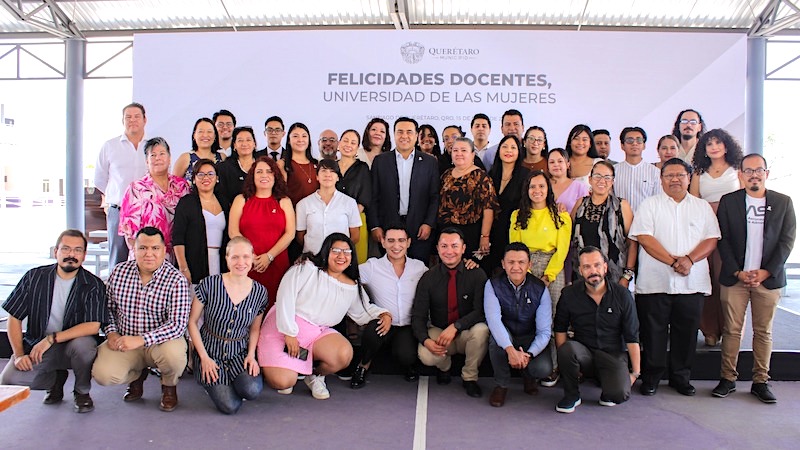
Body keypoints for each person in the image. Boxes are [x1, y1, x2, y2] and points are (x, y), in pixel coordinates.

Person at [259, 233, 391, 399]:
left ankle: (314, 376)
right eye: (336, 251)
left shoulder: (351, 285)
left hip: (315, 334)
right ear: (326, 251)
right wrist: (289, 333)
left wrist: (384, 314)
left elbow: (363, 312)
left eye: (347, 252)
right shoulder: (307, 268)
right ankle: (277, 366)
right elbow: (285, 296)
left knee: (343, 354)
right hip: (283, 326)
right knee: (284, 382)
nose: (341, 256)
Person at [629, 158, 720, 397]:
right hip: (655, 282)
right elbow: (645, 239)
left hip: (692, 283)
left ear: (689, 178)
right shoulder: (649, 205)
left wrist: (689, 260)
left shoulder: (701, 207)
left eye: (680, 175)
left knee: (687, 333)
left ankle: (681, 378)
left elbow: (711, 239)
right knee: (653, 333)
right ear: (661, 180)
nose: (675, 179)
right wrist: (673, 262)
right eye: (669, 175)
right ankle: (651, 378)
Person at [713, 154, 796, 403]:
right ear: (740, 175)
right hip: (735, 278)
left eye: (759, 170)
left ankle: (761, 381)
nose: (754, 175)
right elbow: (723, 239)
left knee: (763, 332)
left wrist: (766, 271)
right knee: (732, 331)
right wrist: (737, 271)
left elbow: (787, 241)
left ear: (766, 173)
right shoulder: (729, 202)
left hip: (768, 280)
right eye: (748, 171)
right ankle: (728, 378)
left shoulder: (783, 202)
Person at [0, 230, 107, 414]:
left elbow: (93, 325)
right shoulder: (34, 277)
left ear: (84, 255)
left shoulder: (93, 284)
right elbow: (14, 317)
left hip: (71, 346)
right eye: (66, 249)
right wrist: (18, 355)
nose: (71, 255)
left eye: (77, 250)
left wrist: (51, 339)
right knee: (10, 381)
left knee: (84, 345)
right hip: (38, 347)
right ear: (56, 251)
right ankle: (55, 380)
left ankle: (82, 391)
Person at [92, 227, 191, 412]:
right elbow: (108, 309)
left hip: (160, 343)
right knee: (103, 374)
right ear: (134, 249)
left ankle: (169, 385)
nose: (149, 254)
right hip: (124, 340)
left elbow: (177, 325)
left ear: (164, 251)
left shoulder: (176, 279)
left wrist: (141, 340)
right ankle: (137, 375)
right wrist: (111, 333)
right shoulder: (119, 272)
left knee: (174, 357)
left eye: (155, 248)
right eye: (143, 248)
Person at [553, 246, 641, 413]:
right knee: (567, 349)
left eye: (597, 265)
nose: (593, 271)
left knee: (618, 394)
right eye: (587, 267)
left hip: (612, 355)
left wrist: (635, 373)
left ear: (605, 267)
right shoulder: (569, 294)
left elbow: (632, 336)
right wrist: (564, 365)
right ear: (580, 270)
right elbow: (560, 329)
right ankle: (572, 395)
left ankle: (608, 382)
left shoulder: (622, 295)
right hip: (584, 353)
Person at [188, 237, 269, 414]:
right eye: (235, 257)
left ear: (253, 258)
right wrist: (203, 357)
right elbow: (192, 322)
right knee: (230, 406)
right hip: (210, 351)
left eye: (246, 257)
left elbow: (255, 328)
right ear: (227, 259)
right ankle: (210, 381)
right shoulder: (209, 284)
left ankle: (230, 380)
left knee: (252, 390)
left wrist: (251, 355)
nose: (241, 262)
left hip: (238, 350)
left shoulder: (260, 292)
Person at [510, 170, 572, 387]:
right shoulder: (517, 215)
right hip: (524, 267)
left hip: (551, 267)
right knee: (525, 316)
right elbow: (514, 249)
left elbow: (562, 251)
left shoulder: (561, 216)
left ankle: (553, 366)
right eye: (532, 187)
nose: (537, 191)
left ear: (549, 189)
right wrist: (525, 274)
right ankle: (525, 362)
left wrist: (548, 276)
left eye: (541, 186)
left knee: (553, 317)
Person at [412, 228, 490, 398]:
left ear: (463, 248)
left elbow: (481, 311)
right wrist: (426, 341)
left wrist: (457, 326)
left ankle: (470, 378)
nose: (449, 251)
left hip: (465, 332)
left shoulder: (476, 274)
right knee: (425, 354)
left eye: (454, 246)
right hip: (439, 332)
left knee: (482, 330)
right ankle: (445, 367)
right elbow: (418, 317)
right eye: (444, 246)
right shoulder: (428, 278)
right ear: (438, 249)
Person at [351, 224, 428, 388]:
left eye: (401, 240)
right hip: (383, 321)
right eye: (391, 241)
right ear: (383, 242)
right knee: (372, 333)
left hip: (407, 325)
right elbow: (347, 275)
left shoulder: (419, 267)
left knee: (406, 355)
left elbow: (439, 279)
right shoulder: (372, 267)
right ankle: (363, 366)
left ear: (408, 243)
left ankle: (408, 363)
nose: (396, 245)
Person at [690, 129, 744, 346]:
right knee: (708, 281)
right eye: (709, 144)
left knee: (728, 281)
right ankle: (710, 330)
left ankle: (730, 329)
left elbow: (743, 200)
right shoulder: (698, 173)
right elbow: (693, 202)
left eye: (718, 143)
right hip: (706, 231)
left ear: (726, 145)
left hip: (732, 231)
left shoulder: (736, 170)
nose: (713, 147)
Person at [484, 243, 553, 407]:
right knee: (496, 339)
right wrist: (509, 349)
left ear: (529, 264)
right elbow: (494, 320)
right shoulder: (492, 285)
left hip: (529, 337)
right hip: (506, 335)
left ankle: (528, 375)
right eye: (511, 262)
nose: (516, 267)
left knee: (543, 369)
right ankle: (501, 385)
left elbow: (544, 331)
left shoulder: (540, 288)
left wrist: (528, 354)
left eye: (521, 262)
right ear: (503, 264)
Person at [369, 117, 440, 262]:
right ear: (394, 135)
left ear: (416, 136)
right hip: (388, 227)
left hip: (419, 228)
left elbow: (434, 196)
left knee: (419, 272)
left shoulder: (429, 162)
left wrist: (428, 223)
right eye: (400, 132)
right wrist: (375, 225)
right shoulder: (380, 161)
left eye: (409, 132)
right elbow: (373, 196)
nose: (404, 136)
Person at [229, 156, 294, 307]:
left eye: (269, 171)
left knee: (274, 308)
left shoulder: (284, 201)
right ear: (252, 176)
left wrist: (269, 256)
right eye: (259, 172)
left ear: (275, 176)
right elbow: (233, 231)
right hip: (246, 264)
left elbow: (290, 234)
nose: (264, 175)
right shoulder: (241, 200)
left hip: (277, 264)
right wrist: (250, 257)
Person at [94, 102, 149, 266]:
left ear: (145, 120)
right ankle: (114, 292)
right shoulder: (110, 146)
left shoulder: (152, 145)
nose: (133, 120)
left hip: (145, 211)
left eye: (137, 116)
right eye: (128, 117)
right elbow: (99, 178)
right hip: (118, 211)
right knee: (118, 258)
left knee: (146, 257)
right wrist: (116, 196)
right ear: (123, 120)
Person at [118, 137, 191, 260]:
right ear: (147, 161)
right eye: (153, 155)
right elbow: (129, 233)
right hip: (147, 256)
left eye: (162, 154)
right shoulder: (136, 188)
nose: (158, 158)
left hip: (177, 256)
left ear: (169, 158)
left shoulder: (182, 186)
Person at [571, 161, 636, 285]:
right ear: (590, 179)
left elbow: (632, 242)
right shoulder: (581, 204)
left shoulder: (621, 206)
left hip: (614, 275)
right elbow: (568, 233)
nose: (602, 181)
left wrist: (627, 275)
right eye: (597, 176)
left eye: (607, 177)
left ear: (612, 181)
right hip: (582, 275)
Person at [438, 137, 498, 266]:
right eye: (455, 150)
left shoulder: (481, 177)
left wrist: (484, 237)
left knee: (468, 271)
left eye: (463, 150)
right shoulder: (446, 175)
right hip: (446, 233)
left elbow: (489, 209)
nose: (459, 153)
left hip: (470, 234)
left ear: (472, 155)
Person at [173, 159, 230, 285]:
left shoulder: (224, 202)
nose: (206, 178)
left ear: (217, 178)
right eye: (200, 174)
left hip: (220, 262)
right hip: (195, 262)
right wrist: (183, 268)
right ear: (193, 179)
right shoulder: (186, 203)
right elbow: (178, 238)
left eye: (210, 174)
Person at [296, 159, 362, 254]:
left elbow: (355, 236)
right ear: (317, 177)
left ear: (338, 177)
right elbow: (300, 237)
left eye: (332, 171)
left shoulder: (349, 203)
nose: (328, 175)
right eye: (323, 171)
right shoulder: (303, 204)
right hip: (312, 258)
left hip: (339, 259)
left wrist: (341, 252)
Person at [486, 136, 530, 275]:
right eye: (505, 146)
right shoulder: (492, 173)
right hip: (491, 231)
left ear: (519, 152)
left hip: (513, 232)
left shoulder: (525, 175)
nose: (508, 151)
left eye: (513, 147)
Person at [336, 129, 372, 263]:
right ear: (339, 144)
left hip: (357, 220)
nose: (348, 145)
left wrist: (349, 217)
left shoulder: (362, 168)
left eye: (353, 142)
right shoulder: (331, 167)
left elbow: (365, 197)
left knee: (356, 261)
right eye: (345, 140)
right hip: (333, 220)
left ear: (357, 148)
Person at [614, 127, 662, 213]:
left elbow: (658, 201)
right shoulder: (614, 170)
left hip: (645, 221)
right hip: (619, 221)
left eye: (639, 140)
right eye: (630, 140)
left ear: (644, 145)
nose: (634, 143)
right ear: (622, 146)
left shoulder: (655, 172)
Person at [278, 122, 320, 207]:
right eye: (295, 136)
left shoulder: (317, 164)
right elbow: (280, 195)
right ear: (289, 140)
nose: (300, 140)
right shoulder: (282, 164)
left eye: (304, 136)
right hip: (294, 214)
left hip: (316, 215)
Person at [217, 126, 258, 202]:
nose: (244, 144)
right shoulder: (224, 168)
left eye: (248, 140)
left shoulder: (263, 165)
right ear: (234, 145)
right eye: (240, 140)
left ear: (254, 144)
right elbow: (221, 196)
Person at [548, 148, 589, 214]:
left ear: (568, 165)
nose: (556, 165)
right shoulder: (542, 185)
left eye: (560, 161)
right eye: (552, 162)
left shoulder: (579, 187)